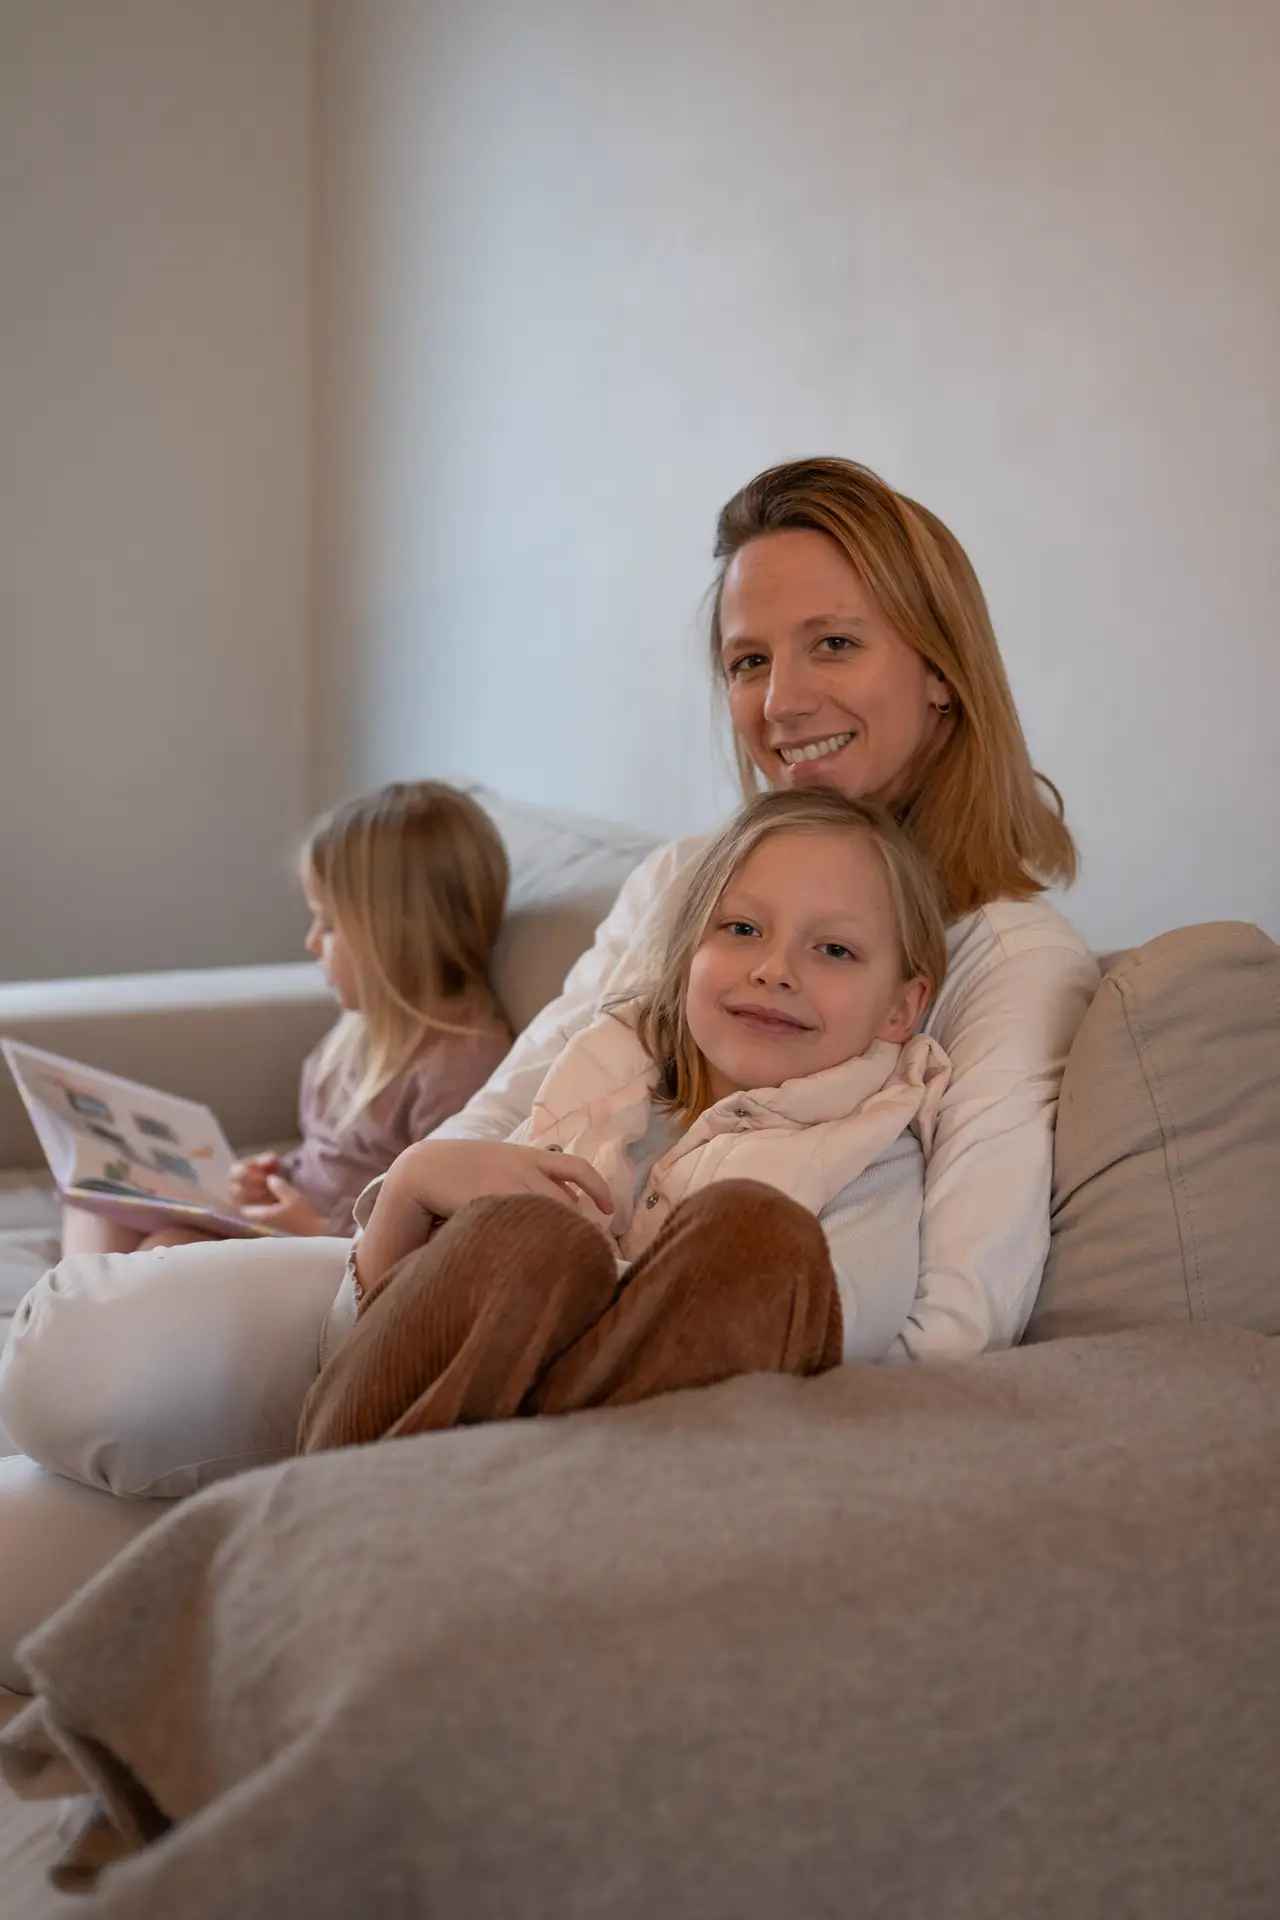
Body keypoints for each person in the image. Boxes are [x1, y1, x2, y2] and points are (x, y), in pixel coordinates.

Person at [0, 458, 1098, 1688]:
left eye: (831, 643)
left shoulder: (1003, 952)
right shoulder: (687, 877)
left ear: (940, 669)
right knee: (58, 1378)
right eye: (745, 661)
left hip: (663, 1394)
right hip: (466, 1294)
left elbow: (954, 1331)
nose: (781, 698)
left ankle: (321, 1576)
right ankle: (323, 1551)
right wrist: (408, 1206)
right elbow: (499, 1114)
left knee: (60, 1457)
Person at [297, 787, 952, 1453]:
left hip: (651, 1475)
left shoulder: (873, 1156)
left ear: (903, 1007)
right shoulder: (598, 1092)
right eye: (743, 930)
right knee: (531, 1234)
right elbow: (342, 1350)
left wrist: (603, 1279)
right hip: (389, 1452)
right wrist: (412, 1182)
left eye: (835, 950)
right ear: (685, 953)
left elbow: (834, 1355)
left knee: (754, 1234)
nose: (775, 970)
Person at [59, 780, 513, 1260]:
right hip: (292, 1227)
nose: (312, 942)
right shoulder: (365, 1028)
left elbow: (437, 1237)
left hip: (335, 1257)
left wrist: (317, 1228)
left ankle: (83, 1318)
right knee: (99, 1201)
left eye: (330, 925)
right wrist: (278, 1174)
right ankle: (69, 1319)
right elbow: (329, 1159)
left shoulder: (461, 1064)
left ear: (398, 934)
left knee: (167, 1249)